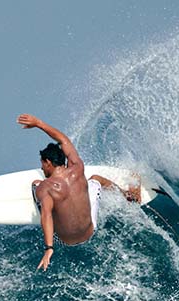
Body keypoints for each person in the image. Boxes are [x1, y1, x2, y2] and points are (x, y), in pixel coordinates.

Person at [17, 114, 141, 270]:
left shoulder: (45, 187)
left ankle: (50, 204)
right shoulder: (77, 167)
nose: (42, 168)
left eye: (42, 164)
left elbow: (46, 215)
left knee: (36, 185)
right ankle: (128, 195)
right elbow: (64, 141)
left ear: (48, 162)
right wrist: (39, 124)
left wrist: (49, 248)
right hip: (91, 230)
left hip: (64, 240)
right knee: (95, 179)